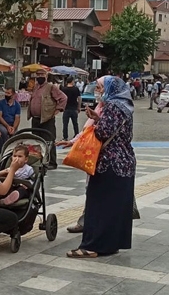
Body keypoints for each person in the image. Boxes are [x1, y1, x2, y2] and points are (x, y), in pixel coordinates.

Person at [66, 77, 136, 258]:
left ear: (110, 88)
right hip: (125, 161)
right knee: (115, 207)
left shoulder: (112, 106)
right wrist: (98, 117)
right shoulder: (125, 106)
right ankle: (111, 244)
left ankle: (92, 246)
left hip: (109, 163)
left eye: (99, 87)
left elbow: (103, 132)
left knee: (99, 205)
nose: (97, 90)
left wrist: (96, 122)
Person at [57, 76, 110, 234]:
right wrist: (72, 142)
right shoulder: (100, 106)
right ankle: (87, 221)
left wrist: (98, 119)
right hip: (94, 156)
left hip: (109, 158)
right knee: (92, 189)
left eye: (99, 88)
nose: (97, 92)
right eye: (97, 88)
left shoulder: (115, 109)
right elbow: (87, 130)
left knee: (102, 191)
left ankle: (99, 224)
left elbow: (108, 130)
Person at [28, 68, 67, 170]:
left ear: (46, 76)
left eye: (42, 74)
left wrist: (58, 110)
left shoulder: (51, 87)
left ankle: (52, 162)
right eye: (38, 75)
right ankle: (39, 161)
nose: (40, 76)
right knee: (36, 141)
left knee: (49, 140)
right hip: (36, 119)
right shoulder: (35, 87)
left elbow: (63, 98)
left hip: (47, 119)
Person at [60, 76, 81, 141]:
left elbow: (61, 99)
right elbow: (79, 98)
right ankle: (76, 135)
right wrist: (79, 107)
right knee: (75, 123)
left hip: (66, 109)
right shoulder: (76, 89)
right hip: (74, 109)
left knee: (65, 124)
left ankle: (65, 137)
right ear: (72, 81)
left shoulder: (64, 89)